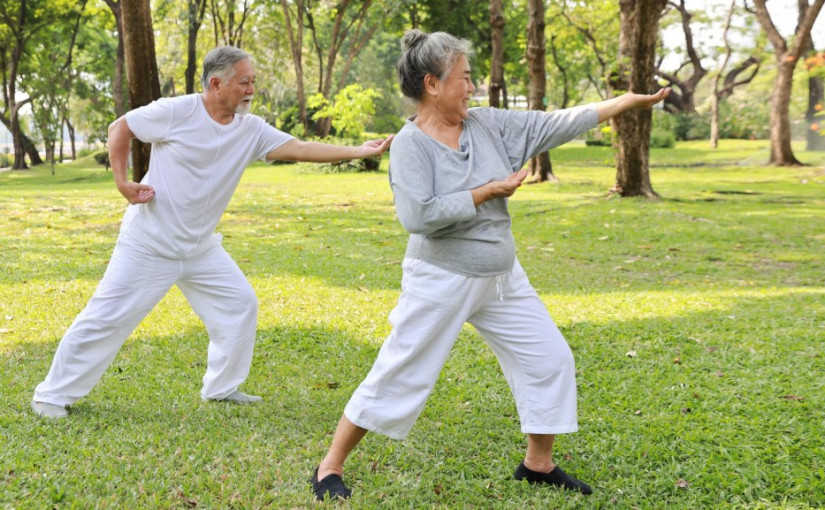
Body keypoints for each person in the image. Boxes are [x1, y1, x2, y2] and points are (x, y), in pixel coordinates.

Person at [311, 30, 670, 501]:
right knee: (402, 370)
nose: (473, 86)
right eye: (464, 78)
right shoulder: (410, 146)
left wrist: (622, 101)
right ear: (432, 84)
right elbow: (418, 216)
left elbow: (552, 124)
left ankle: (538, 465)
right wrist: (485, 192)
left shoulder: (487, 125)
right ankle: (328, 466)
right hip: (441, 277)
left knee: (549, 358)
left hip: (502, 277)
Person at [31, 46, 392, 420]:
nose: (252, 88)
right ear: (216, 83)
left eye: (253, 80)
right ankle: (51, 395)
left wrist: (357, 150)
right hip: (150, 244)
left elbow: (299, 148)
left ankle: (221, 388)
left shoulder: (250, 129)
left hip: (200, 248)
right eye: (244, 81)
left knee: (239, 304)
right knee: (107, 317)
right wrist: (122, 182)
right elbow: (120, 127)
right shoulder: (176, 112)